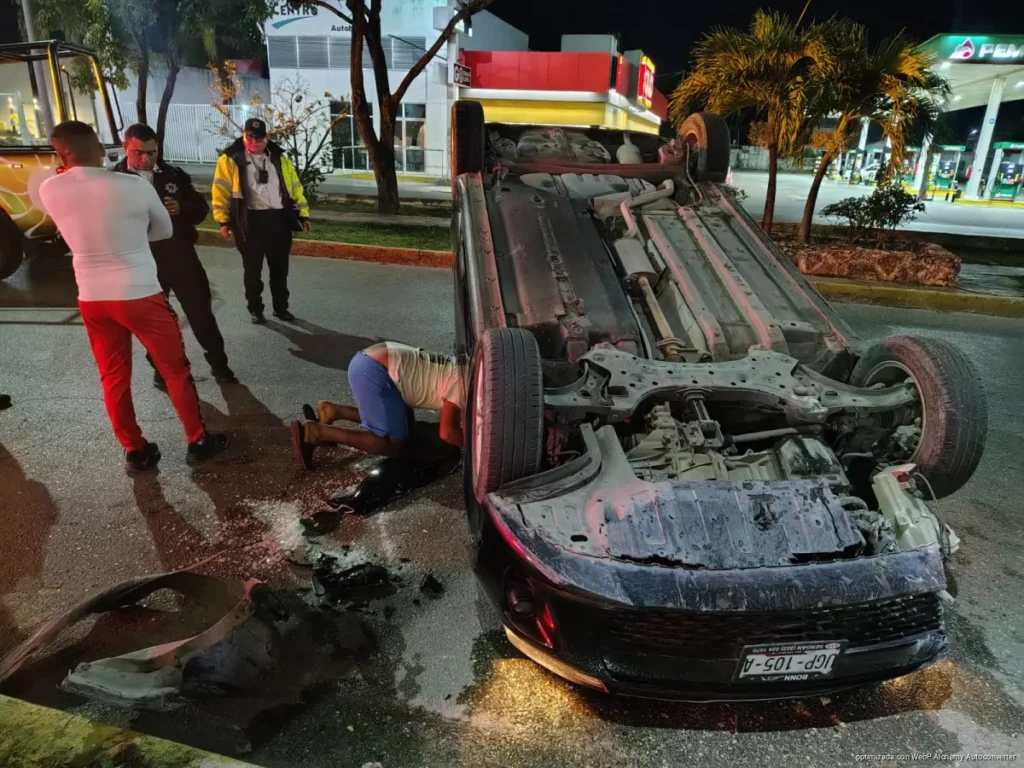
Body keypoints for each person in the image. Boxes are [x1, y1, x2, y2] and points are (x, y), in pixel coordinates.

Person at [39, 121, 228, 473]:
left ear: (60, 152)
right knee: (174, 369)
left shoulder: (49, 189)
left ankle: (135, 449)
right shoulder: (132, 187)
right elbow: (163, 229)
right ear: (101, 148)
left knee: (113, 376)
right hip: (139, 291)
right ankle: (197, 440)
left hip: (92, 298)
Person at [114, 123, 236, 391]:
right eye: (138, 152)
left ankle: (219, 364)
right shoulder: (114, 179)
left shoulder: (174, 175)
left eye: (152, 152)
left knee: (200, 313)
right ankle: (161, 370)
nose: (146, 158)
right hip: (141, 262)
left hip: (180, 256)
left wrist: (181, 208)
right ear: (126, 147)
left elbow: (200, 208)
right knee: (154, 323)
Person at [290, 342, 463, 470]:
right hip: (374, 371)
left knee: (406, 425)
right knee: (393, 444)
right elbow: (447, 432)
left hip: (374, 358)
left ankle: (333, 411)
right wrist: (477, 451)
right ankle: (316, 431)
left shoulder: (468, 367)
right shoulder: (462, 386)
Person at [211, 117, 311, 325]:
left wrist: (303, 214)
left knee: (280, 269)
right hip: (249, 223)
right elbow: (220, 191)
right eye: (250, 137)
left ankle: (281, 308)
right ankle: (256, 309)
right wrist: (223, 220)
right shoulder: (230, 159)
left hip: (278, 221)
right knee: (252, 270)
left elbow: (294, 187)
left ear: (267, 138)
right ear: (244, 136)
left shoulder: (279, 159)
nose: (254, 142)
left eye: (259, 138)